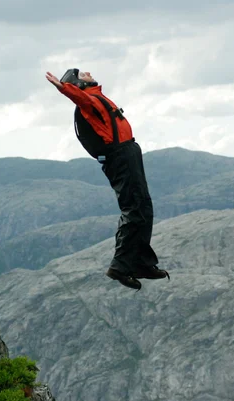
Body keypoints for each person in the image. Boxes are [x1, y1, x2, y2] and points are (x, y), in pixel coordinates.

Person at [45, 68, 169, 290]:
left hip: (127, 152)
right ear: (78, 84)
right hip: (120, 156)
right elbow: (80, 98)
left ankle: (141, 263)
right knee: (133, 209)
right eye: (82, 74)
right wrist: (64, 88)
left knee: (143, 208)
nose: (88, 72)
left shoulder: (97, 97)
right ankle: (120, 267)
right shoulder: (88, 101)